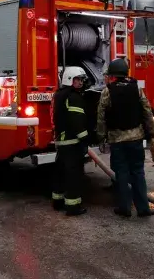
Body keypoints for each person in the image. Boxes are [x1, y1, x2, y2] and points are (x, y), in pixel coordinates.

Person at [96, 58, 154, 218]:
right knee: (138, 172)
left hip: (117, 141)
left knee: (121, 174)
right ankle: (143, 209)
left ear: (113, 75)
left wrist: (101, 137)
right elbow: (147, 111)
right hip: (136, 139)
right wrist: (152, 134)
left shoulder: (107, 92)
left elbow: (101, 117)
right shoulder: (136, 89)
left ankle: (124, 208)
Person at [51, 66, 90, 216]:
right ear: (69, 80)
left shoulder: (59, 95)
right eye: (78, 79)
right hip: (71, 143)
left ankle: (58, 202)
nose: (81, 82)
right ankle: (73, 207)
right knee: (74, 176)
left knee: (59, 174)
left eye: (81, 80)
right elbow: (77, 122)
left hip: (61, 142)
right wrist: (85, 139)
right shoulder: (74, 97)